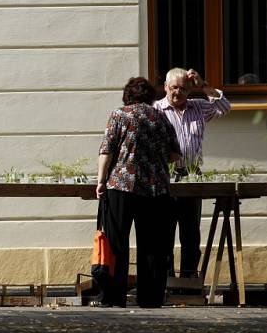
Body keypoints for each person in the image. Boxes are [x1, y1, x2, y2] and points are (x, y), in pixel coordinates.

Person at [96, 77, 181, 308]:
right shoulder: (161, 118)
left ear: (127, 95)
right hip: (156, 189)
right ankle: (151, 298)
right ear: (151, 96)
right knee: (153, 246)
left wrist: (101, 181)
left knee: (117, 243)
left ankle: (114, 297)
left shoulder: (120, 115)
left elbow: (107, 151)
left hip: (122, 186)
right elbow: (175, 154)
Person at [154, 68, 231, 278]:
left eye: (184, 88)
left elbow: (225, 107)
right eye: (174, 88)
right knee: (165, 232)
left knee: (190, 233)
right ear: (165, 88)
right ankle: (166, 281)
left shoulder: (198, 107)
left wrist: (204, 85)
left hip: (191, 176)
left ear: (190, 90)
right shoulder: (156, 110)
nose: (178, 92)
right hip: (165, 178)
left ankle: (189, 280)